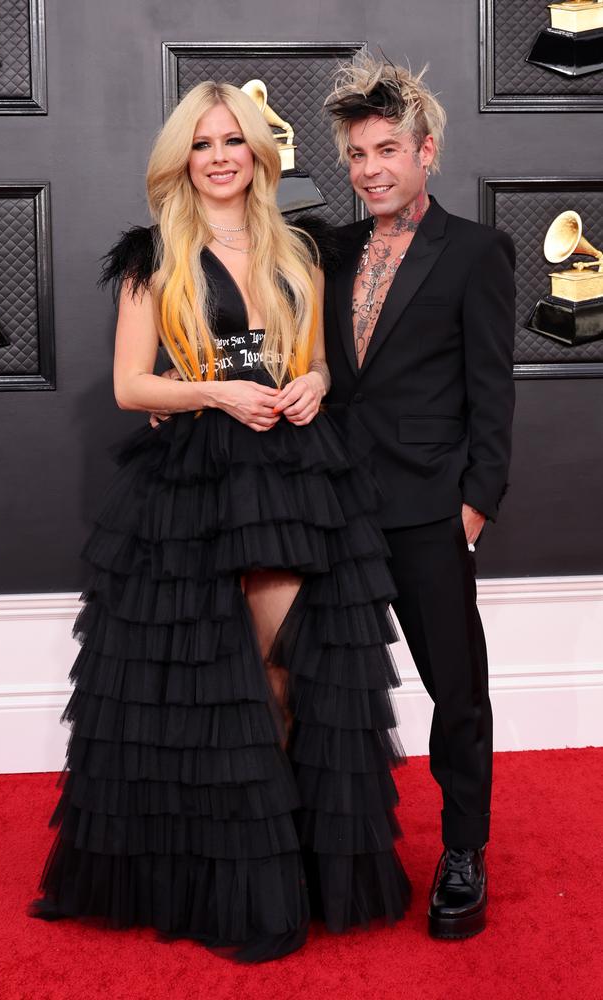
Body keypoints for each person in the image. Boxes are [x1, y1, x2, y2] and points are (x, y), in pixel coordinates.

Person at [29, 80, 411, 961]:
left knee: (286, 677)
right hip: (193, 482)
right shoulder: (152, 254)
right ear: (181, 159)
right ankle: (221, 883)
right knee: (210, 689)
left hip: (290, 477)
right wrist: (213, 392)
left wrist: (311, 383)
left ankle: (283, 870)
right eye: (201, 143)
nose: (220, 156)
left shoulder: (300, 249)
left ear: (258, 152)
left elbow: (310, 359)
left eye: (232, 139)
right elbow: (132, 385)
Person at [322, 56, 516, 939]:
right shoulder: (327, 247)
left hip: (429, 509)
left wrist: (475, 501)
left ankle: (464, 851)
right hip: (333, 504)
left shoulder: (476, 251)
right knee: (329, 686)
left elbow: (493, 388)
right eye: (358, 153)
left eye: (387, 149)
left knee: (457, 691)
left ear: (425, 151)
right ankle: (335, 846)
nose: (370, 169)